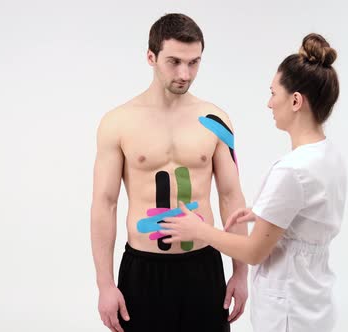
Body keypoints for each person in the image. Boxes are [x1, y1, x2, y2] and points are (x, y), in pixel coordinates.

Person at [160, 33, 346, 332]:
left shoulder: (291, 170)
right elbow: (308, 213)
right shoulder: (328, 155)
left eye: (274, 93)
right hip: (315, 301)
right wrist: (264, 212)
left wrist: (201, 231)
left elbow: (254, 252)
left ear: (296, 101)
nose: (269, 103)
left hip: (288, 309)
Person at [90, 13, 248, 332]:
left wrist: (241, 274)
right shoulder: (118, 122)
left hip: (203, 266)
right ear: (151, 57)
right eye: (174, 61)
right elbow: (104, 204)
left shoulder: (215, 120)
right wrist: (105, 285)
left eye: (194, 63)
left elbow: (231, 197)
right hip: (144, 269)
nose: (184, 73)